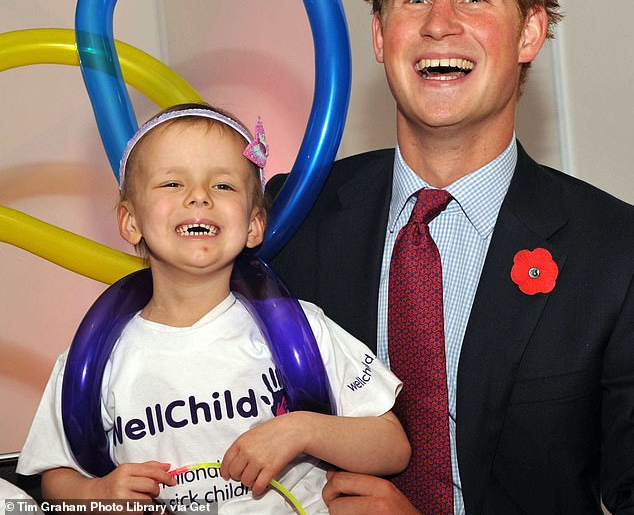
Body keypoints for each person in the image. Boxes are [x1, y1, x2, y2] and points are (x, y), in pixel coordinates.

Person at [267, 0, 634, 513]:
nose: (440, 23)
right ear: (381, 37)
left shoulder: (615, 254)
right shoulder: (288, 219)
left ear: (529, 34)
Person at [17, 103, 411, 514]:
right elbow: (55, 479)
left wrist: (303, 430)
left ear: (254, 224)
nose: (199, 197)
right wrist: (97, 496)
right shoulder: (93, 361)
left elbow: (392, 447)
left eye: (223, 186)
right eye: (171, 183)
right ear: (130, 222)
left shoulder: (302, 330)